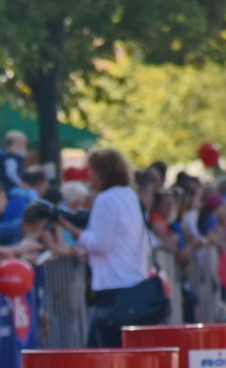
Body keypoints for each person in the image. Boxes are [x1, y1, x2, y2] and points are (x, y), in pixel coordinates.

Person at [68, 147, 166, 346]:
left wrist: (78, 234)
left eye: (93, 170)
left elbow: (101, 245)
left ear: (104, 172)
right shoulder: (131, 196)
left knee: (103, 356)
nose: (89, 175)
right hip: (136, 285)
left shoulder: (105, 199)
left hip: (114, 289)